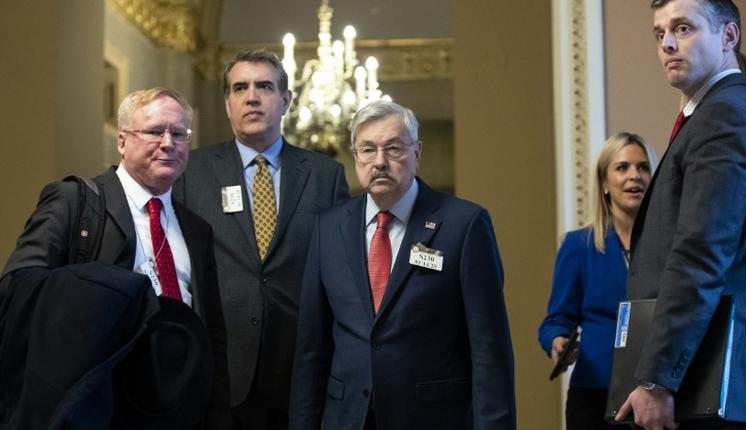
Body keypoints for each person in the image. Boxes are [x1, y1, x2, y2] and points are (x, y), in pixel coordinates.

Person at [1, 87, 230, 428]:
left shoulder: (197, 230)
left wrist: (215, 412)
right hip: (96, 404)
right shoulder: (74, 202)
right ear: (122, 141)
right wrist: (118, 293)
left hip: (174, 403)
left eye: (179, 134)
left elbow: (212, 332)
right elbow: (18, 288)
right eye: (154, 131)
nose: (168, 143)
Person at [615, 1, 746, 429]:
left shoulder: (722, 117)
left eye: (683, 28)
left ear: (728, 37)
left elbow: (700, 255)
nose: (668, 44)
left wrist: (657, 380)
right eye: (659, 34)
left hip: (714, 380)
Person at [289, 100, 516, 429]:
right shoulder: (328, 228)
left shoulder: (464, 226)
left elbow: (489, 350)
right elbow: (312, 349)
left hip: (432, 417)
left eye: (393, 148)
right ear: (355, 156)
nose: (379, 162)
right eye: (367, 150)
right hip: (347, 418)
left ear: (417, 153)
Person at [173, 49, 349, 428]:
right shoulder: (191, 173)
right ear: (227, 103)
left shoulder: (325, 176)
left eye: (264, 86)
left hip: (300, 371)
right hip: (219, 371)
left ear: (285, 100)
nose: (251, 96)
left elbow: (341, 274)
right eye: (240, 88)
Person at [539, 132, 654, 430]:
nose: (635, 176)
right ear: (604, 182)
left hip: (657, 394)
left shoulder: (672, 246)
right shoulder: (578, 245)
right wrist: (557, 342)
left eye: (643, 167)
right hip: (594, 396)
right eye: (622, 167)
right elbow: (556, 320)